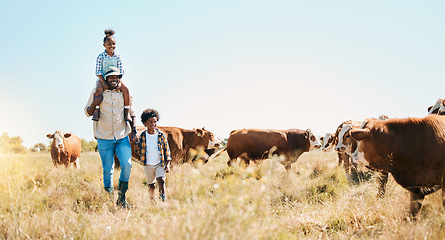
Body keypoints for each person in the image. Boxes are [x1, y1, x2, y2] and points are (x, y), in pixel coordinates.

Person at [84, 66, 137, 209]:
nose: (114, 79)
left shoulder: (123, 94)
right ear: (106, 79)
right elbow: (87, 112)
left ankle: (121, 198)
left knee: (127, 165)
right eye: (111, 77)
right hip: (103, 137)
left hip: (122, 136)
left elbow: (132, 112)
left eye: (117, 77)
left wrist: (134, 131)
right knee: (108, 170)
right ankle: (109, 200)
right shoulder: (98, 92)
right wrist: (96, 101)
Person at [93, 29, 132, 122]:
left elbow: (121, 70)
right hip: (104, 78)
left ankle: (127, 111)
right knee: (98, 90)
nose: (112, 46)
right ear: (104, 45)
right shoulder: (100, 57)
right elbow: (98, 72)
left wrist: (118, 82)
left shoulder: (118, 56)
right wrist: (104, 83)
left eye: (113, 44)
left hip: (116, 77)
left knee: (126, 90)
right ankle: (96, 110)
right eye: (109, 44)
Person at [137, 108, 171, 201]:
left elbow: (166, 149)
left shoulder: (161, 135)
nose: (153, 124)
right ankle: (152, 201)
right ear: (145, 123)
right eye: (150, 122)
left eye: (155, 122)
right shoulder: (143, 136)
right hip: (148, 164)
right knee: (151, 185)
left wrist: (167, 164)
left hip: (159, 163)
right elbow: (140, 150)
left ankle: (162, 201)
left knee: (161, 181)